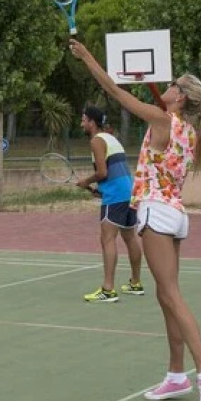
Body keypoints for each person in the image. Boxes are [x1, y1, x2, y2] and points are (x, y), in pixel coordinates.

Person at [68, 39, 201, 401]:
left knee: (170, 296)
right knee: (165, 296)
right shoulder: (191, 132)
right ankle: (176, 375)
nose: (168, 87)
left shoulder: (163, 121)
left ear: (181, 97)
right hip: (174, 214)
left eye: (174, 84)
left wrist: (88, 57)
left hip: (156, 212)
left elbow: (116, 92)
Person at [75, 105, 144, 303]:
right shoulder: (112, 138)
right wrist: (99, 190)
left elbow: (103, 173)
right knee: (130, 237)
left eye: (84, 120)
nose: (82, 124)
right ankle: (135, 283)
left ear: (92, 122)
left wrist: (86, 182)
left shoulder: (96, 140)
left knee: (107, 239)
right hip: (127, 191)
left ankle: (108, 289)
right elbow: (113, 171)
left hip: (115, 195)